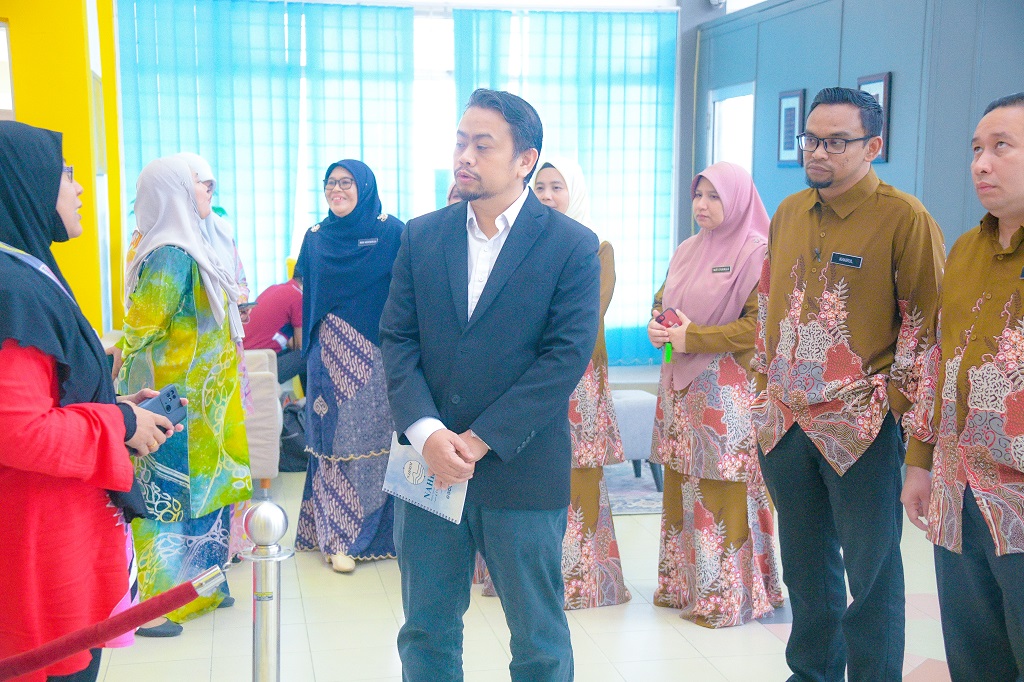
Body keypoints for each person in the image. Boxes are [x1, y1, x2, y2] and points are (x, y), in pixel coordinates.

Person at [380, 88, 600, 681]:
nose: (465, 157)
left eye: (483, 145)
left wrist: (478, 440)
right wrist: (428, 433)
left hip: (520, 465)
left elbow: (563, 359)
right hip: (426, 464)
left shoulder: (571, 246)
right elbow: (397, 339)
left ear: (525, 159)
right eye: (460, 142)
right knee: (425, 629)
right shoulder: (422, 235)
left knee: (537, 638)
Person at [751, 87, 944, 681]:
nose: (818, 152)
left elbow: (925, 326)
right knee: (806, 571)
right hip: (786, 424)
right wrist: (764, 390)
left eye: (836, 142)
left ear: (872, 146)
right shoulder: (789, 212)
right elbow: (767, 305)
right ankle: (812, 673)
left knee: (872, 576)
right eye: (811, 139)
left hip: (862, 429)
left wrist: (891, 408)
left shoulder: (903, 218)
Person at [0, 121, 179, 681]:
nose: (78, 189)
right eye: (66, 174)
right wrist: (119, 421)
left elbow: (43, 396)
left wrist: (115, 402)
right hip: (37, 538)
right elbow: (19, 431)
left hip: (55, 527)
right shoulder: (11, 291)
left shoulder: (25, 270)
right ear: (25, 181)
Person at [901, 92, 1024, 682]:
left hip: (1018, 494)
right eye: (976, 149)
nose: (981, 164)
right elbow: (938, 361)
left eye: (1002, 147)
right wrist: (919, 462)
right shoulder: (966, 249)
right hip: (958, 489)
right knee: (974, 655)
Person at [118, 156, 252, 635]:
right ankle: (160, 606)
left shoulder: (188, 244)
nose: (209, 188)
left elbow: (141, 327)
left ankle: (200, 591)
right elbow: (146, 326)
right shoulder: (174, 252)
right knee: (171, 498)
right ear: (172, 190)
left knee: (195, 495)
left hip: (198, 398)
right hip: (178, 398)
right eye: (199, 182)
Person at [647, 161, 782, 627]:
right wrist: (659, 327)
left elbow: (758, 325)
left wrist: (694, 338)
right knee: (681, 478)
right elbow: (663, 301)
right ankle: (685, 585)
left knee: (724, 482)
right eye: (698, 195)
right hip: (680, 384)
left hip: (727, 388)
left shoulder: (757, 251)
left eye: (714, 196)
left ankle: (726, 595)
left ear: (738, 200)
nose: (701, 205)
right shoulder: (687, 249)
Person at [293, 159, 403, 573]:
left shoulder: (392, 233)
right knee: (333, 443)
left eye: (346, 182)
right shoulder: (316, 237)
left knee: (380, 442)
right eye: (330, 183)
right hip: (328, 356)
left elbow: (409, 291)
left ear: (365, 187)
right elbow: (305, 290)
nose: (336, 190)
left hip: (378, 355)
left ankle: (385, 534)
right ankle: (336, 537)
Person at [242, 274, 304, 385]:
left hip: (248, 359)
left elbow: (288, 342)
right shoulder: (298, 296)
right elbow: (302, 345)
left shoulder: (276, 289)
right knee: (311, 354)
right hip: (259, 362)